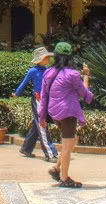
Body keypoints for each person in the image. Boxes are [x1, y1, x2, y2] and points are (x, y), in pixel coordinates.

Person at [37, 41, 93, 188]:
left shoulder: (48, 73)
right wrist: (86, 76)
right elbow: (85, 94)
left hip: (54, 113)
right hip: (68, 114)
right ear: (70, 57)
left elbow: (43, 97)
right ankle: (64, 178)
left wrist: (41, 117)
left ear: (55, 56)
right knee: (68, 148)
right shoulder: (72, 74)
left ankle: (56, 169)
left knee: (70, 142)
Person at [12, 46, 58, 162]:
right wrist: (16, 93)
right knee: (42, 125)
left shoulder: (47, 69)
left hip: (45, 99)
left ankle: (26, 148)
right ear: (40, 60)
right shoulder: (32, 71)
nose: (48, 59)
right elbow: (24, 83)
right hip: (38, 99)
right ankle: (50, 153)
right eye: (46, 57)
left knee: (36, 125)